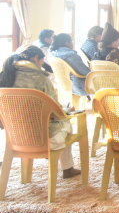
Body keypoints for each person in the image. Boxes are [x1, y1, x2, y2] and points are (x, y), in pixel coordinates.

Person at [0, 46, 81, 179]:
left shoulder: (5, 75)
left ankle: (26, 177)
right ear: (35, 58)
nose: (42, 65)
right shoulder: (40, 77)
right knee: (66, 122)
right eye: (42, 62)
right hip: (43, 139)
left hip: (15, 138)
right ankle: (67, 168)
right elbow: (56, 113)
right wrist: (67, 111)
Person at [49, 33, 90, 97]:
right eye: (72, 41)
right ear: (67, 43)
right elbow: (86, 72)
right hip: (78, 86)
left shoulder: (53, 54)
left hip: (63, 85)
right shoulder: (71, 56)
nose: (73, 43)